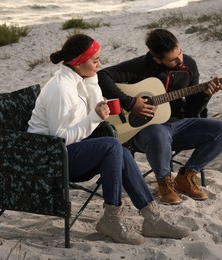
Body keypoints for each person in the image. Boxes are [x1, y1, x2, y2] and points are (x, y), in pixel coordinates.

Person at [27, 34, 190, 245]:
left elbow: (95, 107)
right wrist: (94, 117)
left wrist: (93, 80)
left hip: (73, 151)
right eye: (95, 61)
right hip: (49, 159)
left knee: (119, 150)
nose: (100, 64)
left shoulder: (80, 80)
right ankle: (112, 218)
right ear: (78, 62)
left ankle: (151, 217)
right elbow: (60, 138)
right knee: (112, 146)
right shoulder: (61, 89)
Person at [98, 29, 222, 205]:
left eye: (180, 53)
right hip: (145, 133)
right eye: (173, 59)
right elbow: (102, 76)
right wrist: (130, 103)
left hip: (179, 126)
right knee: (158, 132)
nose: (180, 60)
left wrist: (205, 95)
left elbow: (192, 111)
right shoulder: (140, 66)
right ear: (157, 59)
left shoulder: (189, 66)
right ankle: (165, 183)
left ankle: (186, 176)